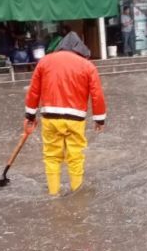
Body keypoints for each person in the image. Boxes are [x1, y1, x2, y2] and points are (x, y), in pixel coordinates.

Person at [22, 32, 107, 196]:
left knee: (52, 157)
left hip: (50, 118)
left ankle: (54, 194)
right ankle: (77, 194)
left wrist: (30, 116)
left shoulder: (45, 61)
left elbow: (34, 91)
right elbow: (97, 94)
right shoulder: (87, 66)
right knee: (75, 157)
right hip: (75, 120)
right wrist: (99, 119)